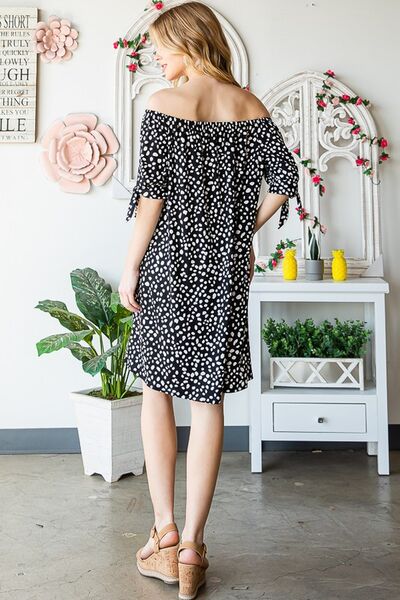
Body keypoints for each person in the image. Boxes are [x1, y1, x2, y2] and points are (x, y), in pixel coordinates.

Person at [118, 2, 300, 598]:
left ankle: (164, 533)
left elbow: (152, 197)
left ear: (188, 43)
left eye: (161, 47)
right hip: (222, 268)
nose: (155, 58)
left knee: (156, 390)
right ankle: (194, 547)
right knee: (208, 400)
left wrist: (130, 265)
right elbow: (285, 183)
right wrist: (239, 231)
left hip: (170, 262)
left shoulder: (165, 105)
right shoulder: (251, 107)